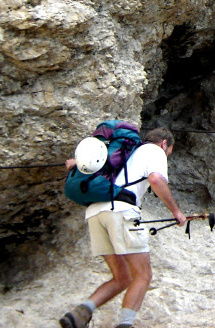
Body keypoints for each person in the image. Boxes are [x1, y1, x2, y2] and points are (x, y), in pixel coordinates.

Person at [60, 128, 186, 328]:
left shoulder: (123, 153)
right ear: (164, 143)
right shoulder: (154, 152)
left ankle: (80, 313)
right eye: (169, 150)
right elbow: (155, 179)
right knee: (143, 275)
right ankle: (125, 325)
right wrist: (176, 212)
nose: (168, 154)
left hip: (95, 213)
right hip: (120, 210)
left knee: (122, 277)